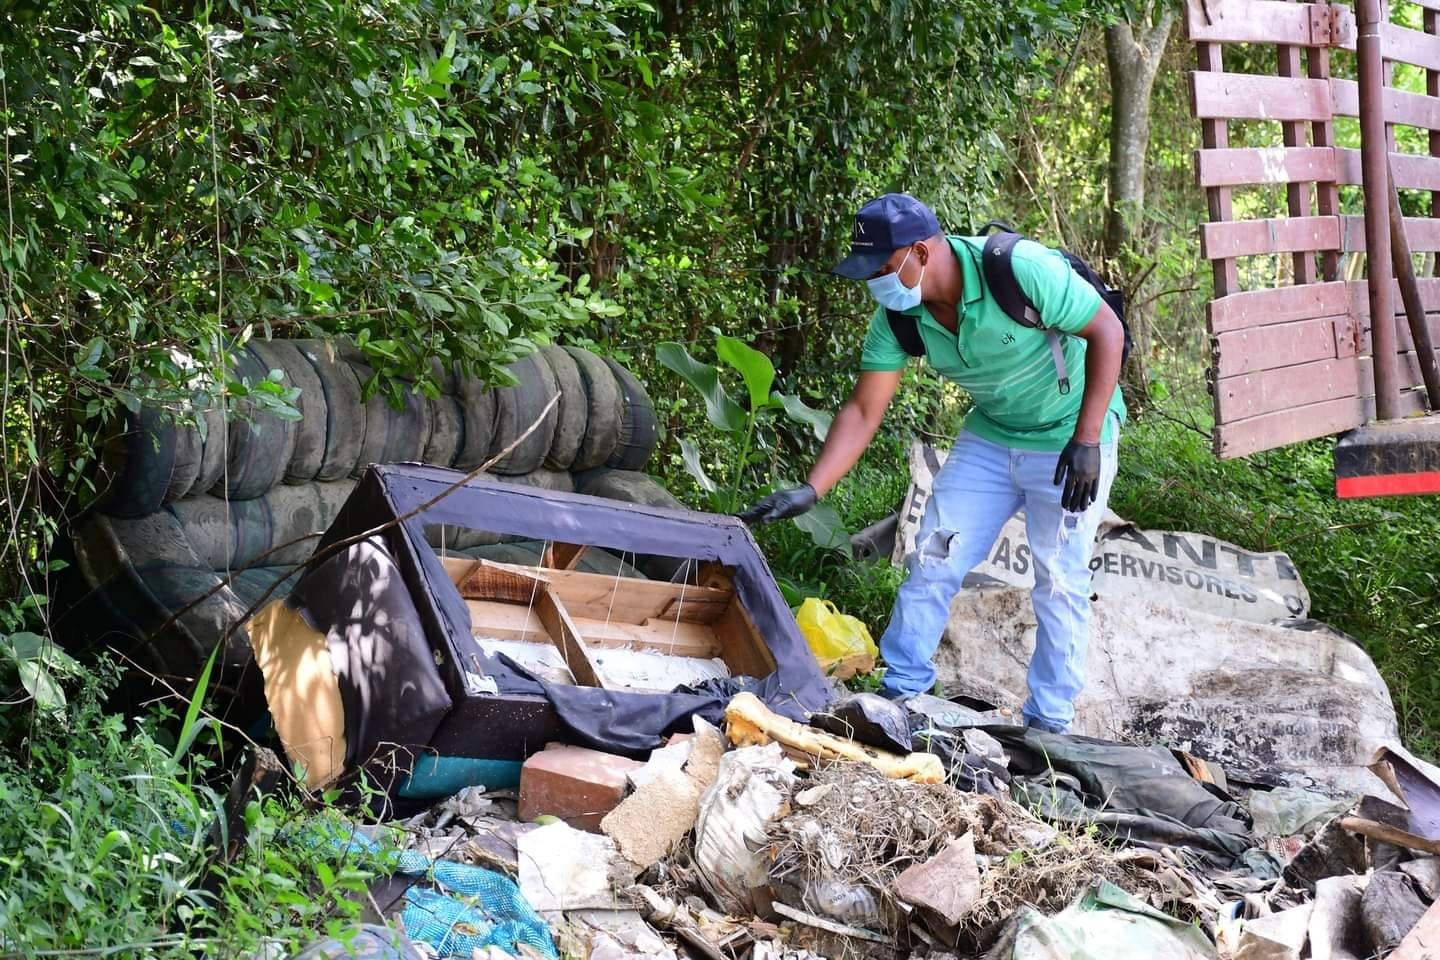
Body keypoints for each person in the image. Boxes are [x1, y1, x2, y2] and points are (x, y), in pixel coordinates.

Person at [738, 193, 1126, 733]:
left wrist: (1088, 440)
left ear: (920, 252)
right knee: (933, 554)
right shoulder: (901, 317)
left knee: (1059, 580)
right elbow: (863, 408)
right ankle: (903, 695)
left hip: (1070, 441)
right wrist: (812, 489)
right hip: (992, 439)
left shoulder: (1020, 271)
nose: (875, 283)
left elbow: (1108, 330)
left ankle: (1049, 728)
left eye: (880, 269)